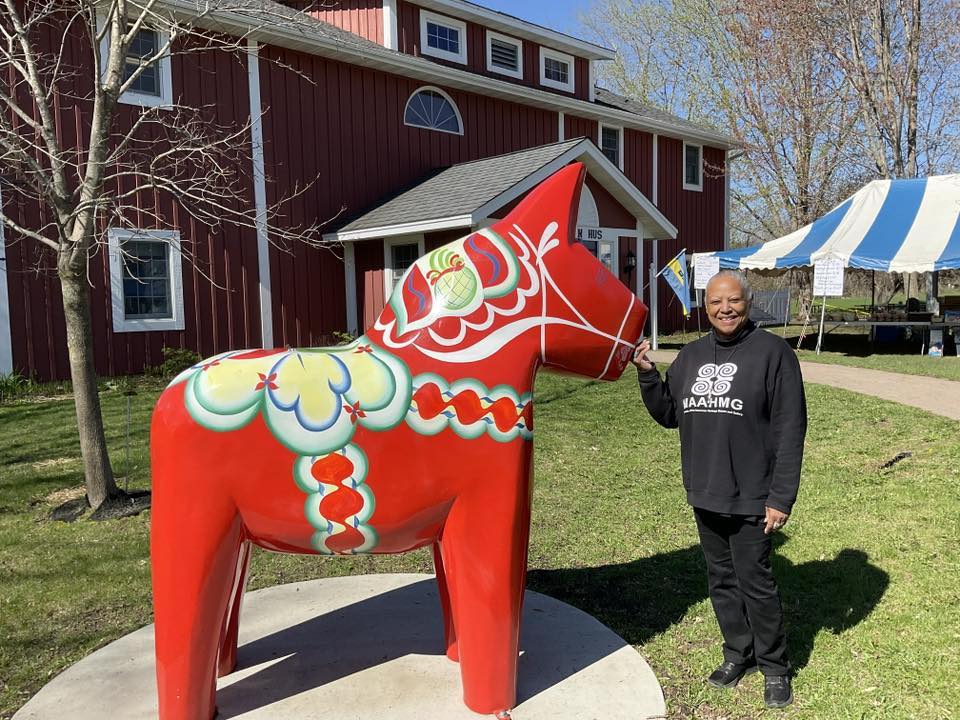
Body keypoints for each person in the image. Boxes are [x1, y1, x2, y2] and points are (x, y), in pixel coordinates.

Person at [633, 270, 806, 709]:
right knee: (722, 582)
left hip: (753, 495)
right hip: (705, 491)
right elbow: (670, 414)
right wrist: (648, 375)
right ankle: (738, 653)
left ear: (748, 302)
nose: (725, 309)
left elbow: (790, 430)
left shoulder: (775, 353)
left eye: (733, 301)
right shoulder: (690, 357)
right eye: (715, 302)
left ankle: (774, 666)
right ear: (704, 306)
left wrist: (780, 497)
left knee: (756, 583)